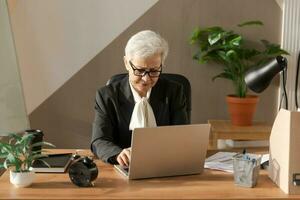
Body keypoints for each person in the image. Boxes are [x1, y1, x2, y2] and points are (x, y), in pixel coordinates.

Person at [91, 30, 188, 167]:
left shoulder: (174, 92)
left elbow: (181, 136)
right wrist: (118, 154)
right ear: (126, 63)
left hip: (165, 166)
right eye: (140, 70)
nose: (146, 79)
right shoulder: (107, 96)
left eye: (154, 71)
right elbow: (99, 140)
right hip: (124, 168)